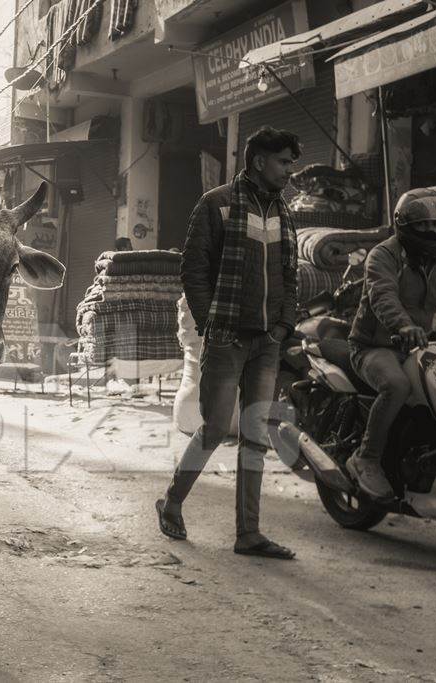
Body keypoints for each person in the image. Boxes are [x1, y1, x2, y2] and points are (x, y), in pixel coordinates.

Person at [156, 127, 301, 560]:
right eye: (283, 162)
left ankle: (249, 534)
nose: (290, 172)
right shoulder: (215, 204)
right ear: (259, 161)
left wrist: (284, 325)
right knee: (217, 428)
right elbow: (193, 271)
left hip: (267, 341)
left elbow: (289, 276)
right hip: (226, 338)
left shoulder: (283, 212)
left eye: (292, 164)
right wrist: (208, 324)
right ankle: (172, 501)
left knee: (255, 434)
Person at [346, 189, 436, 500]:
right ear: (406, 226)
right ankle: (367, 458)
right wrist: (403, 325)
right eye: (424, 225)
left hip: (417, 346)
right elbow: (383, 295)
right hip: (375, 346)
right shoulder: (384, 255)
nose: (432, 232)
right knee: (397, 385)